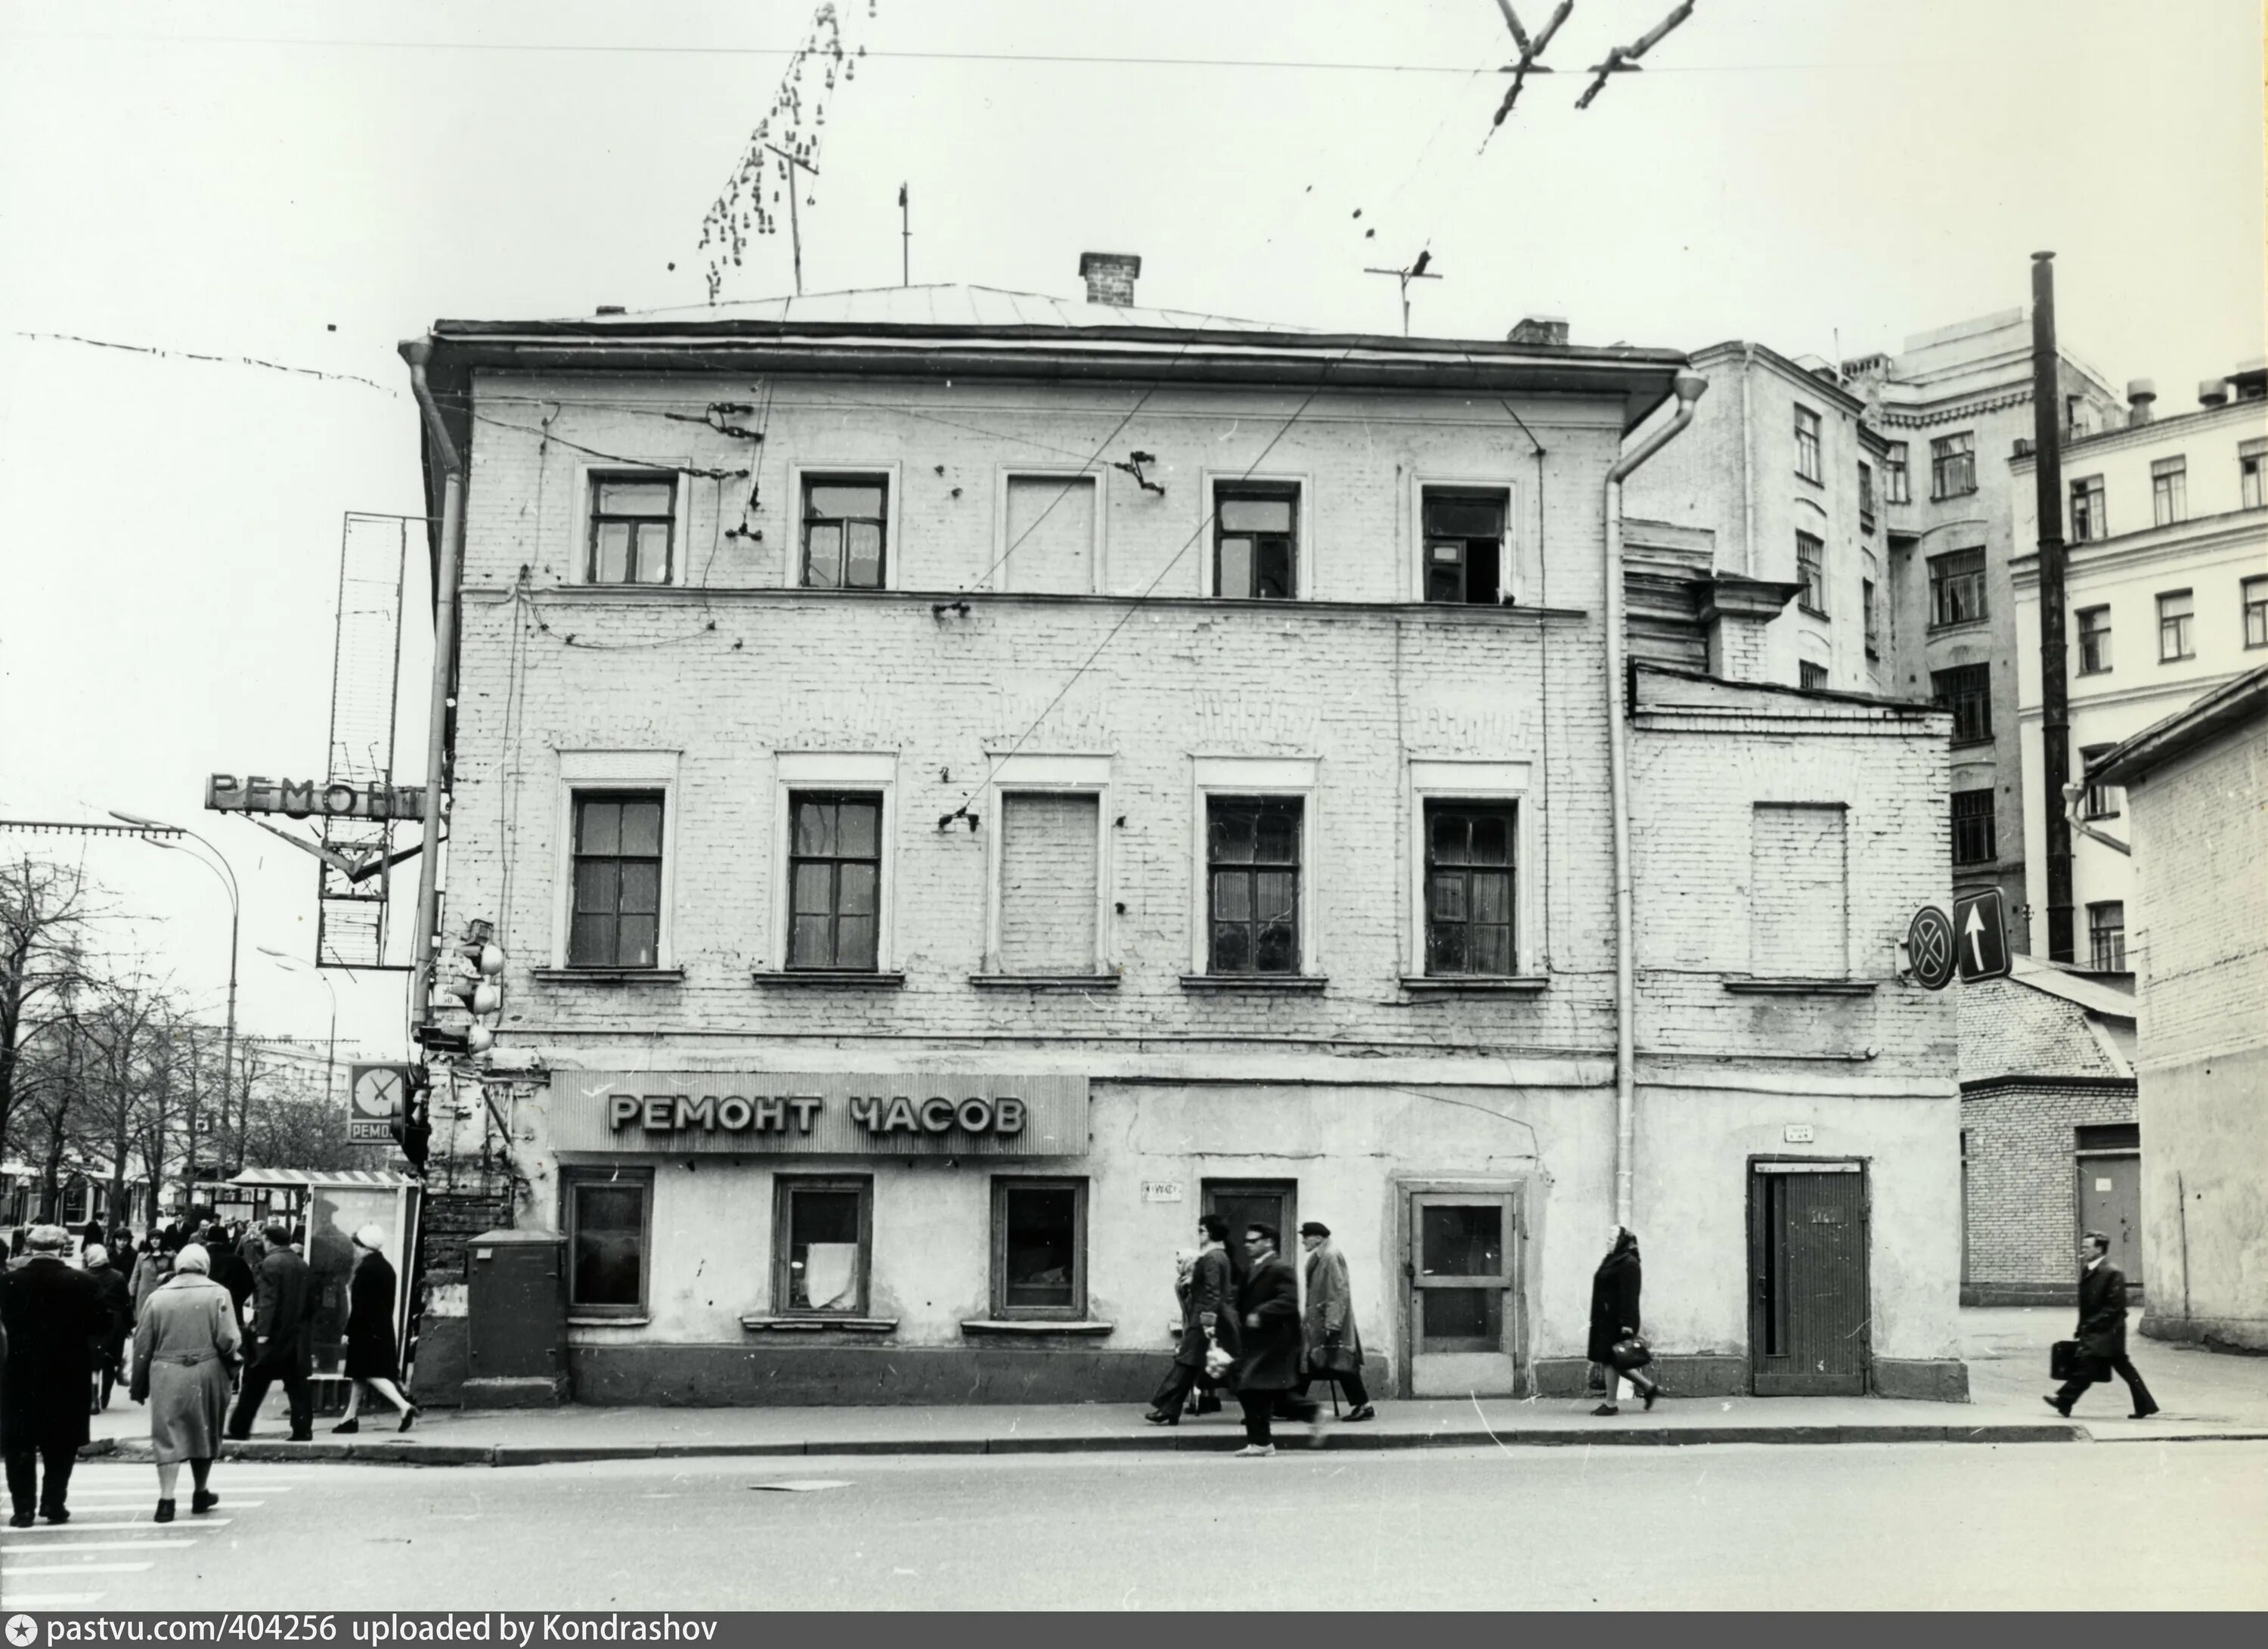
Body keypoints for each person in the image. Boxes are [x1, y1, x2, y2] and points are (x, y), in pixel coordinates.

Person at [129, 1241, 240, 1523]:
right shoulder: (218, 1293)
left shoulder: (157, 1297)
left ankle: (166, 1501)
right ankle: (201, 1492)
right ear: (205, 1265)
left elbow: (143, 1344)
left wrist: (139, 1384)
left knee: (167, 1436)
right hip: (207, 1370)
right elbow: (229, 1340)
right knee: (204, 1431)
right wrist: (232, 1366)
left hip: (166, 1372)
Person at [0, 1225, 103, 1525]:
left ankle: (23, 1510)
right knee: (61, 1442)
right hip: (68, 1373)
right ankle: (53, 1504)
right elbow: (100, 1325)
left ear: (31, 1248)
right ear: (64, 1248)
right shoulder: (83, 1282)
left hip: (19, 1373)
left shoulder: (8, 1282)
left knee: (20, 1444)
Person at [1229, 1223, 1321, 1457]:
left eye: (1253, 1241)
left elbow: (1289, 1301)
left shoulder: (1281, 1268)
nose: (1247, 1245)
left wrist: (1260, 1312)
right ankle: (1264, 1440)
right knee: (1261, 1391)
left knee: (1251, 1388)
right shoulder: (1253, 1268)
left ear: (1268, 1242)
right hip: (1257, 1341)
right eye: (1246, 1242)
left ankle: (1262, 1442)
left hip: (1276, 1342)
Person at [2048, 1232, 2159, 1419]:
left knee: (2089, 1366)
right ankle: (2145, 1405)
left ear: (2099, 1249)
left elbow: (2115, 1306)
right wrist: (2081, 1326)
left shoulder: (2112, 1272)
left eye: (2087, 1246)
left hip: (2109, 1330)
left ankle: (2064, 1400)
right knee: (2121, 1367)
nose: (2083, 1249)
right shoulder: (2088, 1270)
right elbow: (2087, 1305)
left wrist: (2091, 1324)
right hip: (2098, 1330)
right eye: (2083, 1246)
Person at [1144, 1215, 1238, 1425]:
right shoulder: (1220, 1256)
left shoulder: (1212, 1258)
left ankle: (1168, 1409)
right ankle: (1169, 1409)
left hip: (1205, 1320)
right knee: (1199, 1365)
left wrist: (1206, 1322)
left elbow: (1212, 1293)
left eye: (1202, 1231)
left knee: (1187, 1363)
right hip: (1213, 1319)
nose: (1199, 1235)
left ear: (1212, 1233)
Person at [227, 1223, 314, 1442]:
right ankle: (303, 1429)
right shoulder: (301, 1264)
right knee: (297, 1385)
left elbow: (268, 1300)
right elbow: (311, 1302)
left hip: (273, 1337)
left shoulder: (271, 1263)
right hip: (296, 1336)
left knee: (254, 1383)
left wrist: (263, 1332)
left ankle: (239, 1428)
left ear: (269, 1241)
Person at [333, 1226, 417, 1434]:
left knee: (370, 1373)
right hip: (382, 1328)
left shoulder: (365, 1270)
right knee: (360, 1375)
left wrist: (348, 1331)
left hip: (365, 1330)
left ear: (364, 1247)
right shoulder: (386, 1268)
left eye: (357, 1246)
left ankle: (404, 1406)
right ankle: (349, 1418)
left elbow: (360, 1306)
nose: (355, 1250)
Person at [1296, 1221, 1374, 1421]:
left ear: (1319, 1238)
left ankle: (1363, 1405)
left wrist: (1333, 1324)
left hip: (1328, 1322)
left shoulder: (1330, 1256)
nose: (1303, 1240)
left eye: (1306, 1236)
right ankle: (1292, 1404)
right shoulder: (1322, 1256)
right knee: (1313, 1361)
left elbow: (1338, 1293)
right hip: (1320, 1320)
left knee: (1340, 1363)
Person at [1588, 1226, 1662, 1415]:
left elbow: (1630, 1295)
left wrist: (1627, 1324)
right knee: (1615, 1360)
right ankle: (1648, 1387)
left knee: (1611, 1359)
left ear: (1621, 1241)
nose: (1608, 1242)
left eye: (1612, 1239)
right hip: (1605, 1319)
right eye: (1608, 1238)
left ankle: (1611, 1404)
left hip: (1618, 1320)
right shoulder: (1613, 1259)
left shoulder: (1629, 1263)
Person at [84, 1244, 132, 1412]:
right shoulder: (119, 1277)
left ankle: (93, 1399)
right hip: (115, 1323)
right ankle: (105, 1397)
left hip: (90, 1322)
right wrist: (129, 1326)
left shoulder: (83, 1277)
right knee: (110, 1361)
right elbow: (126, 1304)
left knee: (92, 1363)